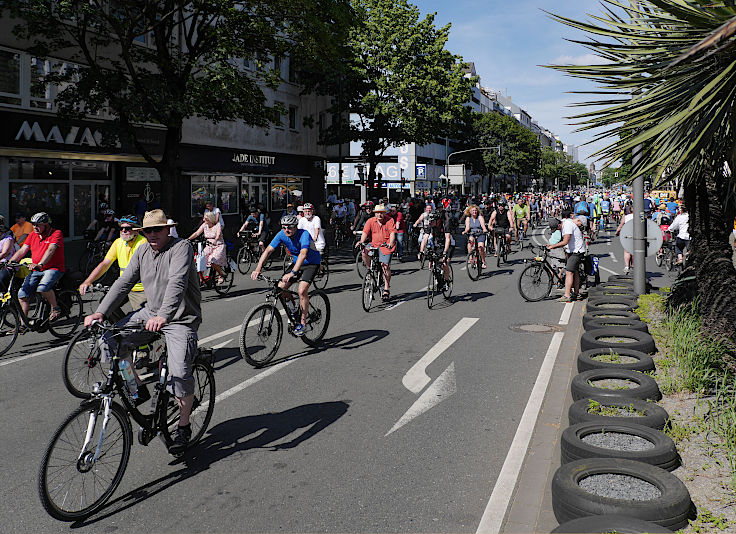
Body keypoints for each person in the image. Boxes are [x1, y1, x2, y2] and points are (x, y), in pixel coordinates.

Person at [85, 210, 201, 455]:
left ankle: (183, 425)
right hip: (151, 313)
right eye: (146, 231)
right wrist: (101, 312)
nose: (151, 235)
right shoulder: (142, 251)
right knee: (111, 340)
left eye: (156, 230)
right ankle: (137, 389)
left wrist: (164, 315)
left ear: (167, 229)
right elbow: (123, 282)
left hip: (180, 318)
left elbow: (178, 282)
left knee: (179, 373)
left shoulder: (181, 248)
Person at [252, 214, 321, 336]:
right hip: (296, 263)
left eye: (289, 227)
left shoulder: (303, 234)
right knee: (281, 287)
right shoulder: (281, 234)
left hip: (311, 263)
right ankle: (293, 311)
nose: (286, 230)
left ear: (295, 227)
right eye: (284, 227)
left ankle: (303, 323)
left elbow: (303, 254)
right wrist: (258, 268)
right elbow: (268, 250)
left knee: (301, 290)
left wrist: (293, 272)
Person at [78, 215, 148, 322]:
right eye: (121, 228)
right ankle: (123, 327)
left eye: (128, 228)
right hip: (124, 286)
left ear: (137, 230)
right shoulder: (118, 242)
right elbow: (105, 264)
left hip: (140, 288)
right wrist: (88, 281)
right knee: (105, 306)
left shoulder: (143, 244)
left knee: (142, 321)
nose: (123, 231)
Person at [6, 212, 65, 322]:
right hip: (36, 270)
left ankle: (55, 308)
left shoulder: (56, 233)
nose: (35, 227)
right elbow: (23, 250)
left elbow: (51, 250)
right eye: (33, 224)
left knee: (43, 288)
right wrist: (10, 262)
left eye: (38, 225)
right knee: (22, 295)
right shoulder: (33, 234)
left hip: (53, 268)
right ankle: (23, 324)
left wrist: (41, 264)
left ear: (46, 225)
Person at [356, 204, 396, 301]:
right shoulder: (370, 221)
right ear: (375, 213)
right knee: (364, 251)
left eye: (381, 213)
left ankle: (386, 288)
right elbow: (365, 232)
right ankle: (369, 268)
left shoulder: (390, 220)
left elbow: (392, 233)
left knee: (385, 266)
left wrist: (391, 243)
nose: (379, 215)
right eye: (377, 213)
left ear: (384, 213)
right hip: (374, 244)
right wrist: (362, 241)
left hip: (385, 246)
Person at [547, 209, 585, 302]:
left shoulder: (567, 226)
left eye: (557, 228)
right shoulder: (564, 222)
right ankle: (577, 294)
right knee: (574, 272)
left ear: (559, 224)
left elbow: (565, 241)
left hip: (577, 251)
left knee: (569, 272)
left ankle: (567, 295)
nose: (558, 230)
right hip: (571, 250)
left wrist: (553, 246)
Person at [188, 211, 227, 284]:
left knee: (212, 261)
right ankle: (201, 278)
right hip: (209, 246)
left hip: (218, 246)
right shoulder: (204, 225)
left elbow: (218, 234)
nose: (203, 220)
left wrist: (215, 240)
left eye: (205, 219)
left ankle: (221, 275)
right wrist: (188, 239)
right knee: (201, 260)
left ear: (210, 219)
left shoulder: (217, 225)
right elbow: (197, 233)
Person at [427, 210, 454, 288]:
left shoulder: (445, 224)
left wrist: (445, 252)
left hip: (449, 244)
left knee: (445, 262)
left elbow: (448, 239)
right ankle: (439, 279)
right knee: (434, 262)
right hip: (439, 244)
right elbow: (426, 237)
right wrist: (422, 251)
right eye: (430, 221)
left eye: (432, 221)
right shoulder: (431, 226)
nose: (430, 223)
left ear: (437, 220)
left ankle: (447, 281)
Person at [615, 205, 635, 274]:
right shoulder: (640, 217)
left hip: (628, 235)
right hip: (637, 235)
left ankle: (626, 267)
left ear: (629, 211)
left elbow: (621, 226)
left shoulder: (626, 217)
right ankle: (634, 265)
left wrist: (617, 232)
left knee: (627, 251)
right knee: (636, 251)